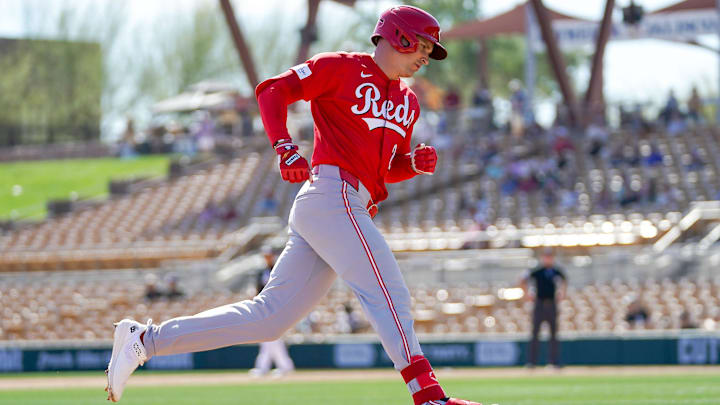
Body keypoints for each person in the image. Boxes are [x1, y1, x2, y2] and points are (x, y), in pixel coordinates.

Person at [105, 6, 482, 405]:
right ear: (400, 36)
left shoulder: (409, 102)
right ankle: (428, 396)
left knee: (269, 319)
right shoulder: (339, 67)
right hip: (332, 197)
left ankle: (144, 340)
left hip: (346, 206)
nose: (427, 56)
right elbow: (272, 91)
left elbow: (382, 170)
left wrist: (410, 165)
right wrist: (284, 147)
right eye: (423, 46)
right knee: (388, 289)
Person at [249, 247, 295, 377]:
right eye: (265, 256)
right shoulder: (261, 272)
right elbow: (257, 290)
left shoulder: (278, 269)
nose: (267, 258)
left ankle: (268, 367)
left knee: (272, 338)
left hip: (277, 307)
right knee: (269, 340)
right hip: (264, 307)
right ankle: (282, 366)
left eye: (269, 256)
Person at [520, 249, 566, 368]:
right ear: (542, 258)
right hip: (539, 304)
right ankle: (532, 362)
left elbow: (564, 280)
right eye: (546, 256)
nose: (548, 259)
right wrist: (526, 294)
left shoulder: (555, 270)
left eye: (550, 257)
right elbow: (523, 279)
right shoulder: (537, 271)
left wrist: (562, 293)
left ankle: (554, 361)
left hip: (551, 304)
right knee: (535, 333)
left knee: (554, 334)